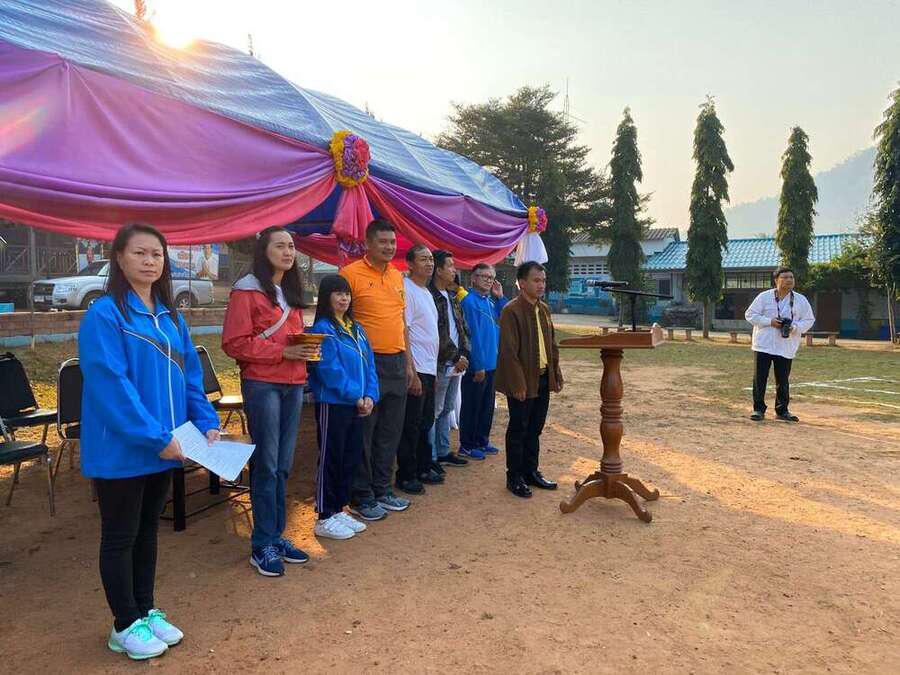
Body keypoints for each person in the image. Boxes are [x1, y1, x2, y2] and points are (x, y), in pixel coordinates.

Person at [79, 223, 220, 660]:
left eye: (156, 254)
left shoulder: (171, 317)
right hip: (123, 448)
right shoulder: (105, 315)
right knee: (120, 535)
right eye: (139, 253)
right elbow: (111, 384)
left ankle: (144, 610)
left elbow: (191, 376)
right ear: (119, 258)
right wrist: (154, 436)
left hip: (167, 446)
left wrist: (206, 421)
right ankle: (123, 624)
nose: (149, 261)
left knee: (146, 532)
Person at [222, 226, 318, 577]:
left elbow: (289, 339)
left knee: (282, 465)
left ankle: (275, 537)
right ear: (264, 251)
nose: (288, 251)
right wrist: (283, 352)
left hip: (293, 384)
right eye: (280, 246)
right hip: (263, 385)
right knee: (267, 463)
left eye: (291, 246)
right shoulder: (246, 290)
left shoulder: (290, 292)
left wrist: (305, 347)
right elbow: (234, 343)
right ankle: (262, 543)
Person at [340, 220, 413, 519]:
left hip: (397, 361)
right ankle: (361, 496)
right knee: (365, 432)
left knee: (390, 431)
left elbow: (401, 322)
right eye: (383, 241)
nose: (389, 247)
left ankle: (383, 489)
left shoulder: (397, 276)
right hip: (366, 363)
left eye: (392, 242)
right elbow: (341, 322)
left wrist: (409, 363)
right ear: (368, 243)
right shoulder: (350, 274)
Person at [308, 275, 379, 539]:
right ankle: (324, 515)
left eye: (347, 293)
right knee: (331, 457)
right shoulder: (322, 329)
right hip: (334, 403)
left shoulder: (357, 328)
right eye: (338, 293)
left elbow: (370, 366)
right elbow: (329, 369)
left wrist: (370, 395)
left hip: (358, 405)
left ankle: (338, 508)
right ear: (326, 297)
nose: (344, 298)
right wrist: (355, 396)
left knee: (350, 457)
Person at [495, 261, 564, 498]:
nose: (541, 285)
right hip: (523, 381)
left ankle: (530, 471)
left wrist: (556, 373)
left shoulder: (543, 309)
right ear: (522, 283)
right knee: (519, 428)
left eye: (543, 280)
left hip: (542, 377)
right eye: (536, 280)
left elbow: (551, 345)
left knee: (535, 428)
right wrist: (517, 384)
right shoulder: (511, 311)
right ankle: (514, 477)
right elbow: (508, 351)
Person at [395, 244, 444, 495]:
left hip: (428, 368)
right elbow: (405, 331)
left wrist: (432, 372)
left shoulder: (426, 292)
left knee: (425, 421)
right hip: (416, 368)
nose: (429, 263)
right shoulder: (407, 289)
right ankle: (406, 474)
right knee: (411, 424)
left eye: (431, 259)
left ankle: (423, 467)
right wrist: (412, 371)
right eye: (423, 259)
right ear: (410, 264)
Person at [744, 266, 815, 422]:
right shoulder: (764, 297)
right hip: (763, 344)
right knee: (760, 378)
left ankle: (782, 411)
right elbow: (750, 314)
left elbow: (809, 320)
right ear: (776, 280)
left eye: (791, 277)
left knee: (783, 380)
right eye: (785, 277)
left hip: (786, 345)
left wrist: (794, 327)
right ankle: (758, 409)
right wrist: (769, 322)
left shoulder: (800, 300)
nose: (789, 280)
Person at [459, 263, 508, 458]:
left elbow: (506, 317)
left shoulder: (489, 301)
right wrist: (477, 365)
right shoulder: (470, 302)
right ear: (473, 278)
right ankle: (467, 445)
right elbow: (473, 337)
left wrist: (500, 297)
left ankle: (482, 440)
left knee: (487, 406)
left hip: (492, 363)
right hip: (477, 366)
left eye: (491, 277)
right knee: (472, 406)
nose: (488, 280)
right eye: (484, 276)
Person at [428, 250, 472, 465]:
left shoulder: (452, 296)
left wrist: (464, 354)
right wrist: (456, 357)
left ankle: (443, 451)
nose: (454, 270)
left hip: (456, 362)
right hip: (440, 362)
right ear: (438, 270)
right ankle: (431, 456)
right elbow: (437, 333)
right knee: (435, 411)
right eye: (450, 266)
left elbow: (462, 328)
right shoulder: (430, 296)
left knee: (447, 408)